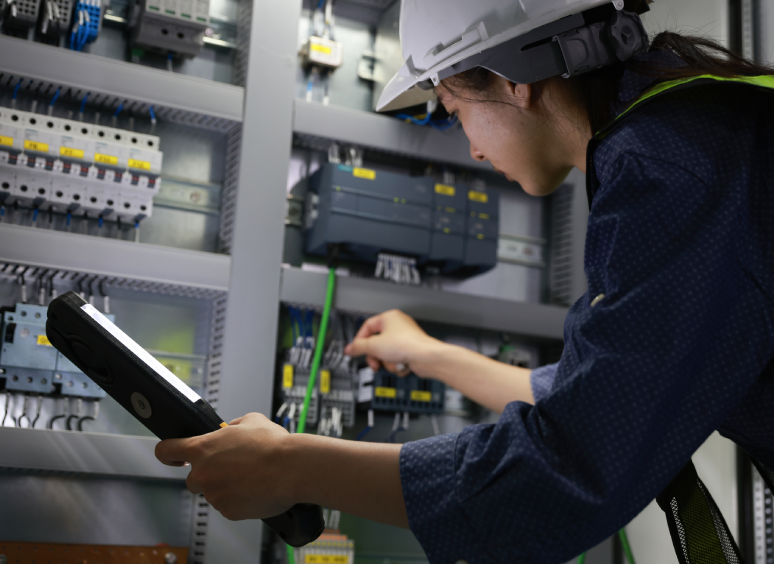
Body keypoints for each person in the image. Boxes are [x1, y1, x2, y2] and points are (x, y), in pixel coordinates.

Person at [155, 0, 774, 562]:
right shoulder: (701, 127)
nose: (473, 149)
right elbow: (604, 388)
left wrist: (290, 466)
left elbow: (571, 467)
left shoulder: (667, 171)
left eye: (455, 111)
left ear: (513, 81)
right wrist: (429, 355)